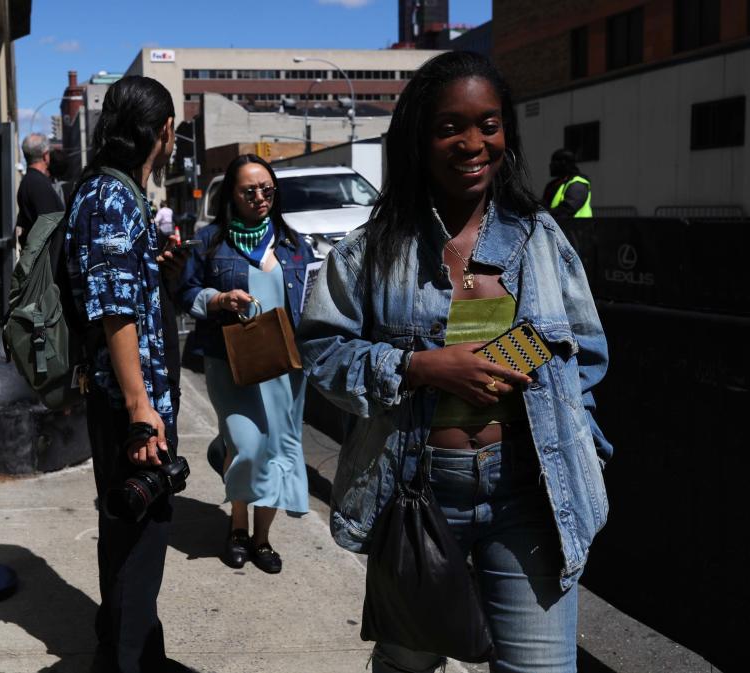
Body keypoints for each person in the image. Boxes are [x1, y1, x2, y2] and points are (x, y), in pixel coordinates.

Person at [298, 52, 611, 673]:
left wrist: (590, 452)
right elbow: (321, 350)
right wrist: (417, 368)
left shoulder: (540, 238)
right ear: (420, 137)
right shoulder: (371, 250)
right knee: (408, 664)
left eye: (488, 125)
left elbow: (587, 358)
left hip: (529, 495)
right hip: (416, 490)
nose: (474, 143)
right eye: (451, 128)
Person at [64, 75, 188, 673]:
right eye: (175, 129)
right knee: (142, 541)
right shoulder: (112, 198)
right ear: (161, 131)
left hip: (125, 401)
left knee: (126, 534)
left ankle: (128, 649)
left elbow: (121, 290)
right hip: (129, 407)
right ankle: (128, 661)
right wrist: (142, 411)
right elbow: (113, 310)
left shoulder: (108, 195)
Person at [178, 154, 315, 574]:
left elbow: (311, 297)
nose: (260, 197)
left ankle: (261, 538)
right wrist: (217, 300)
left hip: (284, 364)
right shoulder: (209, 242)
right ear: (231, 196)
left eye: (267, 189)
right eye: (249, 190)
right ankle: (237, 526)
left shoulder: (293, 243)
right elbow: (185, 294)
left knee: (278, 450)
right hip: (231, 360)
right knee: (248, 446)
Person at [16, 133, 64, 248]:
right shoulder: (38, 184)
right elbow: (52, 230)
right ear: (45, 156)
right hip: (47, 261)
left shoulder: (29, 181)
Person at [542, 148, 593, 219]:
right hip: (559, 227)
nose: (550, 165)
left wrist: (544, 216)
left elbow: (567, 209)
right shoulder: (554, 184)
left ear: (563, 162)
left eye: (554, 162)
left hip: (578, 228)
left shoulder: (578, 183)